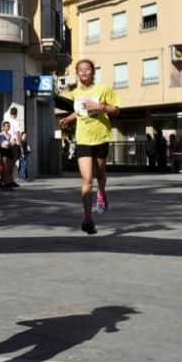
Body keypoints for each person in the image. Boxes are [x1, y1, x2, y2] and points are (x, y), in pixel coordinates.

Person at [58, 58, 120, 235]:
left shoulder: (102, 89)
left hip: (100, 137)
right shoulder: (75, 92)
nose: (84, 72)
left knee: (100, 174)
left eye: (87, 69)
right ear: (77, 73)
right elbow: (79, 112)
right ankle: (88, 218)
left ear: (93, 72)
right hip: (83, 139)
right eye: (80, 70)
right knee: (86, 179)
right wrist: (68, 119)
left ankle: (101, 191)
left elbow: (117, 110)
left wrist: (100, 107)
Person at [0, 122, 15, 188]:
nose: (7, 127)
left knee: (9, 169)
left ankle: (5, 182)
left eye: (8, 126)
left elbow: (10, 144)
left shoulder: (9, 135)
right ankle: (6, 183)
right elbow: (2, 145)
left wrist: (10, 144)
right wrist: (10, 144)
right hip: (4, 152)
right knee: (5, 168)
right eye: (6, 126)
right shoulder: (0, 134)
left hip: (9, 152)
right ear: (3, 127)